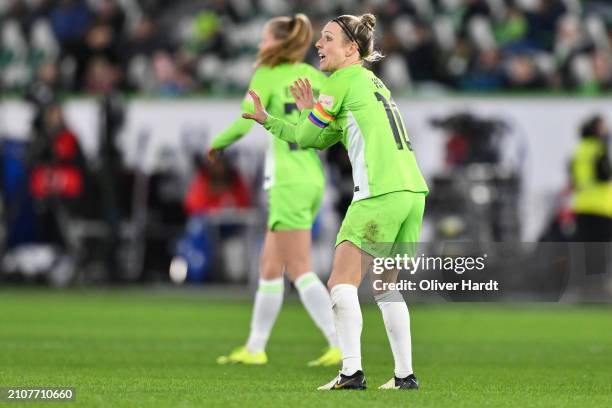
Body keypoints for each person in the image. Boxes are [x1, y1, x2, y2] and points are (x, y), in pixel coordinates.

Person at [243, 14, 429, 390]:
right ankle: (404, 376)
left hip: (379, 193)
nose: (319, 45)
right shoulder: (372, 82)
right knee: (386, 286)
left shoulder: (341, 80)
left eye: (327, 38)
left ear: (351, 49)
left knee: (341, 282)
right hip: (411, 193)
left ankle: (351, 372)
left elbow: (309, 133)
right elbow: (320, 137)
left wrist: (308, 109)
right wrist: (270, 120)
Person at [212, 14, 341, 367]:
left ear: (279, 43)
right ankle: (255, 347)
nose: (259, 45)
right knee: (270, 266)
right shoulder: (315, 77)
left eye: (265, 38)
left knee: (299, 267)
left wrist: (217, 144)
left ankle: (339, 341)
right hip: (313, 178)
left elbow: (244, 122)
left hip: (288, 181)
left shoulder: (267, 75)